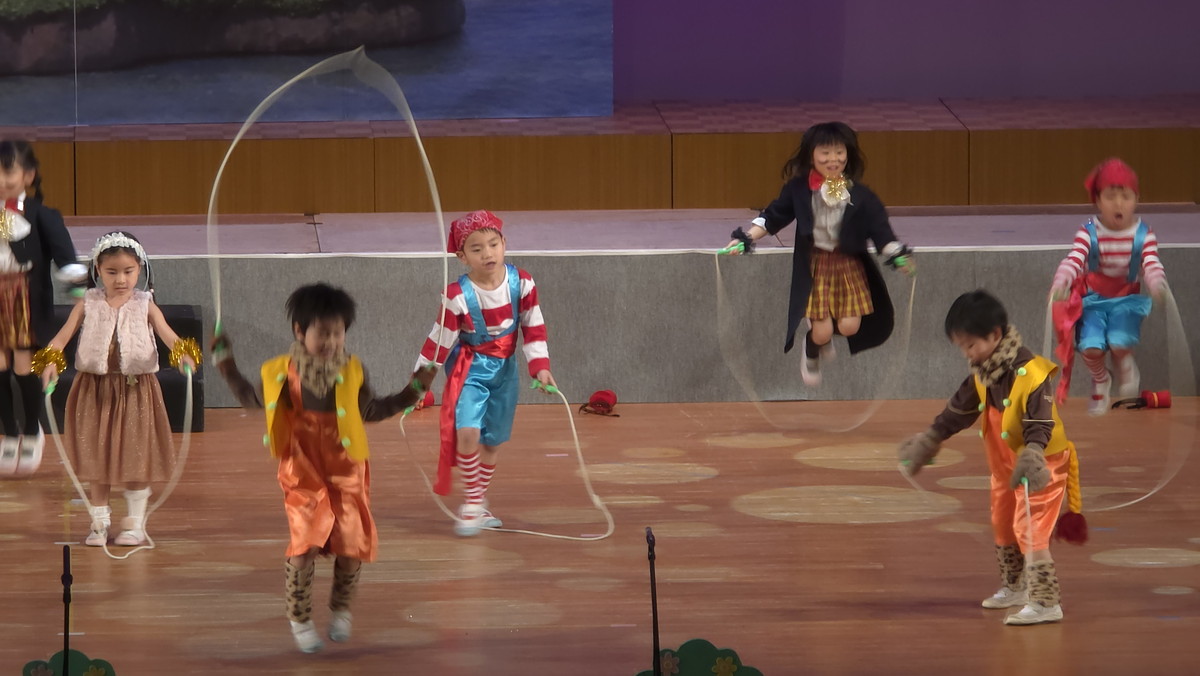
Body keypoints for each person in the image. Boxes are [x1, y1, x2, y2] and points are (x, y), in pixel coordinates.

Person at [212, 283, 434, 654]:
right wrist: (226, 365)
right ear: (299, 331)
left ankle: (341, 609)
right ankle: (299, 617)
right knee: (305, 544)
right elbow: (251, 398)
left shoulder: (353, 370)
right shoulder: (280, 372)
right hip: (303, 470)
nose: (331, 341)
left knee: (351, 544)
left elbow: (372, 411)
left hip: (346, 468)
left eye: (338, 333)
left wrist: (413, 391)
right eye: (322, 333)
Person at [898, 290, 1086, 626]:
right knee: (1003, 522)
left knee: (1030, 527)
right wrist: (930, 439)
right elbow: (958, 410)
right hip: (1002, 464)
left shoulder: (1032, 373)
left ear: (995, 335)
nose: (966, 353)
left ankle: (1045, 601)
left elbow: (1041, 422)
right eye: (961, 347)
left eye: (970, 345)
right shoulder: (982, 371)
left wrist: (1033, 454)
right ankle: (1016, 586)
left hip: (1040, 462)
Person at [34, 231, 199, 547]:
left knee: (136, 455)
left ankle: (135, 523)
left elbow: (168, 334)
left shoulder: (145, 303)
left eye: (128, 271)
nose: (120, 279)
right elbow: (62, 337)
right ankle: (99, 522)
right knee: (98, 457)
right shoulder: (88, 302)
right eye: (111, 272)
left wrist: (183, 355)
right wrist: (50, 361)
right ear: (97, 269)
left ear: (140, 269)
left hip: (135, 390)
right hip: (95, 390)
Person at [724, 121, 914, 386]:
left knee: (849, 327)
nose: (833, 159)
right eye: (825, 153)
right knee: (822, 332)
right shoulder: (798, 189)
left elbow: (880, 229)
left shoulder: (859, 194)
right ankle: (812, 348)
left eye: (839, 152)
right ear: (811, 155)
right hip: (815, 267)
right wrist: (745, 239)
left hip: (848, 266)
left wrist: (897, 255)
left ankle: (821, 337)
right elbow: (774, 216)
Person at [415, 210, 555, 536]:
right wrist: (418, 384)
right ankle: (474, 501)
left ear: (504, 243)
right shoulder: (457, 295)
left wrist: (540, 367)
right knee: (468, 432)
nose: (487, 253)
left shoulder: (522, 283)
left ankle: (479, 500)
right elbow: (438, 342)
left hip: (505, 372)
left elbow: (533, 327)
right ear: (462, 256)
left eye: (493, 244)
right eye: (476, 249)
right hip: (470, 371)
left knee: (493, 441)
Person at [1050, 158, 1167, 415]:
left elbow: (1150, 263)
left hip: (1125, 301)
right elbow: (1075, 259)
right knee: (1091, 348)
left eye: (1125, 197)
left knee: (1120, 343)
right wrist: (1062, 279)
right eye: (1110, 197)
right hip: (1093, 300)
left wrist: (1156, 283)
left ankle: (1125, 365)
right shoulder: (1088, 233)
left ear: (1136, 199)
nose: (1118, 203)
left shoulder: (1144, 235)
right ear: (1098, 201)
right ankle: (1101, 378)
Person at [0, 140, 86, 475]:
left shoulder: (42, 215)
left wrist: (78, 287)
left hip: (24, 300)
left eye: (8, 171)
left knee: (23, 367)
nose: (1, 179)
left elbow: (65, 256)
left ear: (28, 175)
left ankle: (32, 429)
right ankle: (9, 432)